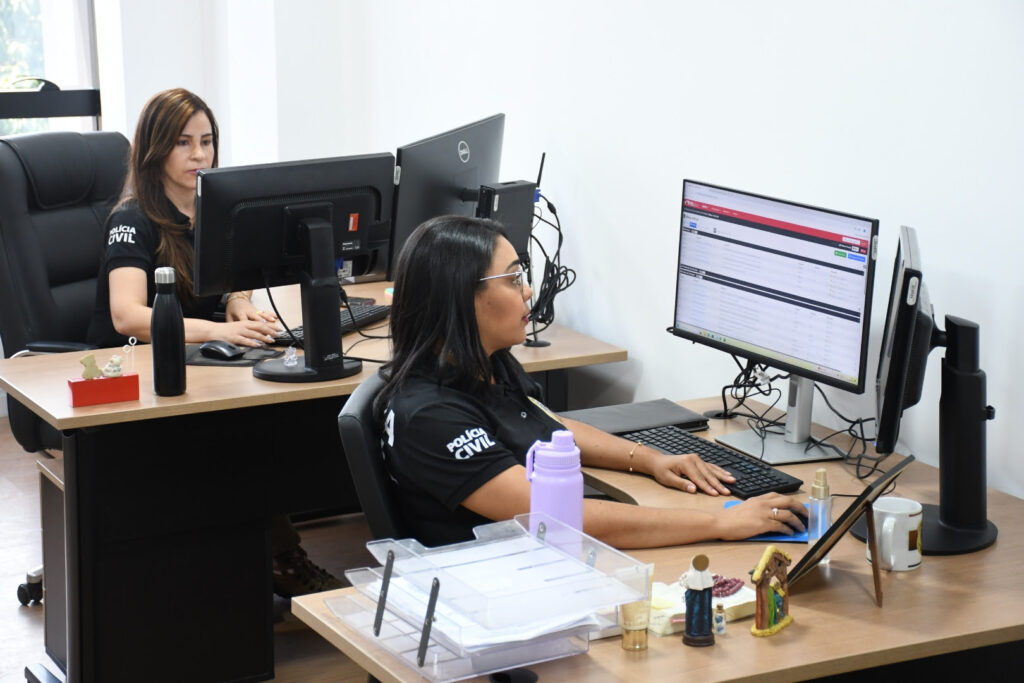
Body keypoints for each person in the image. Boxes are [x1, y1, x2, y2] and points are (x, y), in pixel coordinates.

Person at [376, 215, 808, 549]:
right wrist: (720, 522)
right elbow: (553, 518)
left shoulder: (483, 362)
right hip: (496, 583)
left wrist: (650, 459)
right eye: (512, 279)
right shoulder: (430, 415)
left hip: (539, 556)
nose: (528, 292)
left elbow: (548, 427)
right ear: (458, 296)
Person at [86, 88, 341, 597]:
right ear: (155, 149)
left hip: (201, 361)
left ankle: (256, 552)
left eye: (207, 141)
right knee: (242, 431)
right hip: (133, 371)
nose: (199, 154)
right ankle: (272, 559)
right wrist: (220, 330)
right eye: (183, 143)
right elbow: (127, 315)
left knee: (279, 404)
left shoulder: (216, 211)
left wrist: (237, 302)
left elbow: (231, 278)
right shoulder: (131, 219)